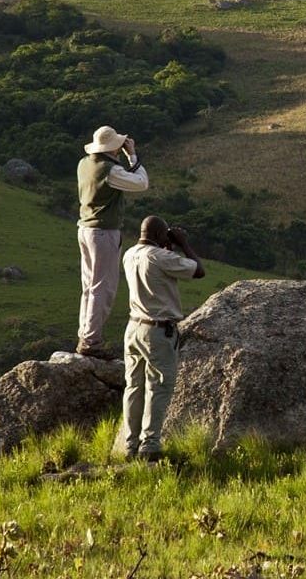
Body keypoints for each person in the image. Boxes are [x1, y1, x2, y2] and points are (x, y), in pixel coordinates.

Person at [119, 215, 205, 461]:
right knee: (158, 388)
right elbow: (198, 270)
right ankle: (150, 445)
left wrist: (166, 245)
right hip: (157, 331)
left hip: (133, 327)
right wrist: (183, 244)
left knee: (134, 387)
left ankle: (130, 445)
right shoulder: (161, 257)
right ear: (159, 235)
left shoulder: (130, 254)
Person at [77, 125, 149, 359]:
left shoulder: (84, 164)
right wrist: (132, 156)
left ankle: (85, 336)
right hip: (103, 233)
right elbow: (141, 183)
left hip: (85, 229)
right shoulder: (110, 171)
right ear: (114, 146)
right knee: (103, 288)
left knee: (89, 287)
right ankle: (91, 342)